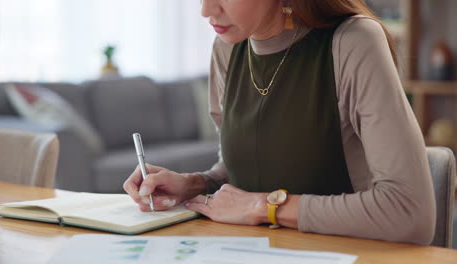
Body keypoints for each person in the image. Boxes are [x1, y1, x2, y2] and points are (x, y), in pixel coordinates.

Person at [124, 0, 436, 245]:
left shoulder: (353, 42)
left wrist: (264, 207)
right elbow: (243, 168)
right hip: (250, 250)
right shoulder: (227, 49)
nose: (206, 10)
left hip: (344, 253)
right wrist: (193, 184)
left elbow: (409, 213)